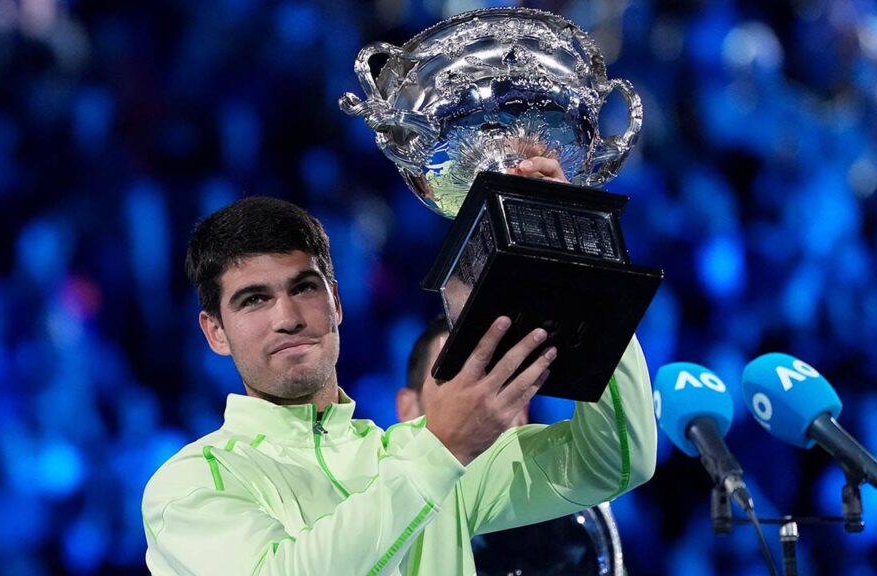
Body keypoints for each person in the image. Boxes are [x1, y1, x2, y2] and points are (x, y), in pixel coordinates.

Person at [142, 157, 656, 575]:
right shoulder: (191, 483)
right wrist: (441, 450)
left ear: (336, 303)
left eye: (304, 288)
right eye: (254, 300)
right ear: (215, 332)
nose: (288, 318)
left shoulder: (415, 455)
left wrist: (573, 253)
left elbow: (613, 461)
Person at [397, 316, 627, 575]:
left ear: (521, 410)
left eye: (499, 386)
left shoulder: (580, 529)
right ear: (408, 408)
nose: (479, 407)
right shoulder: (383, 513)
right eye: (454, 388)